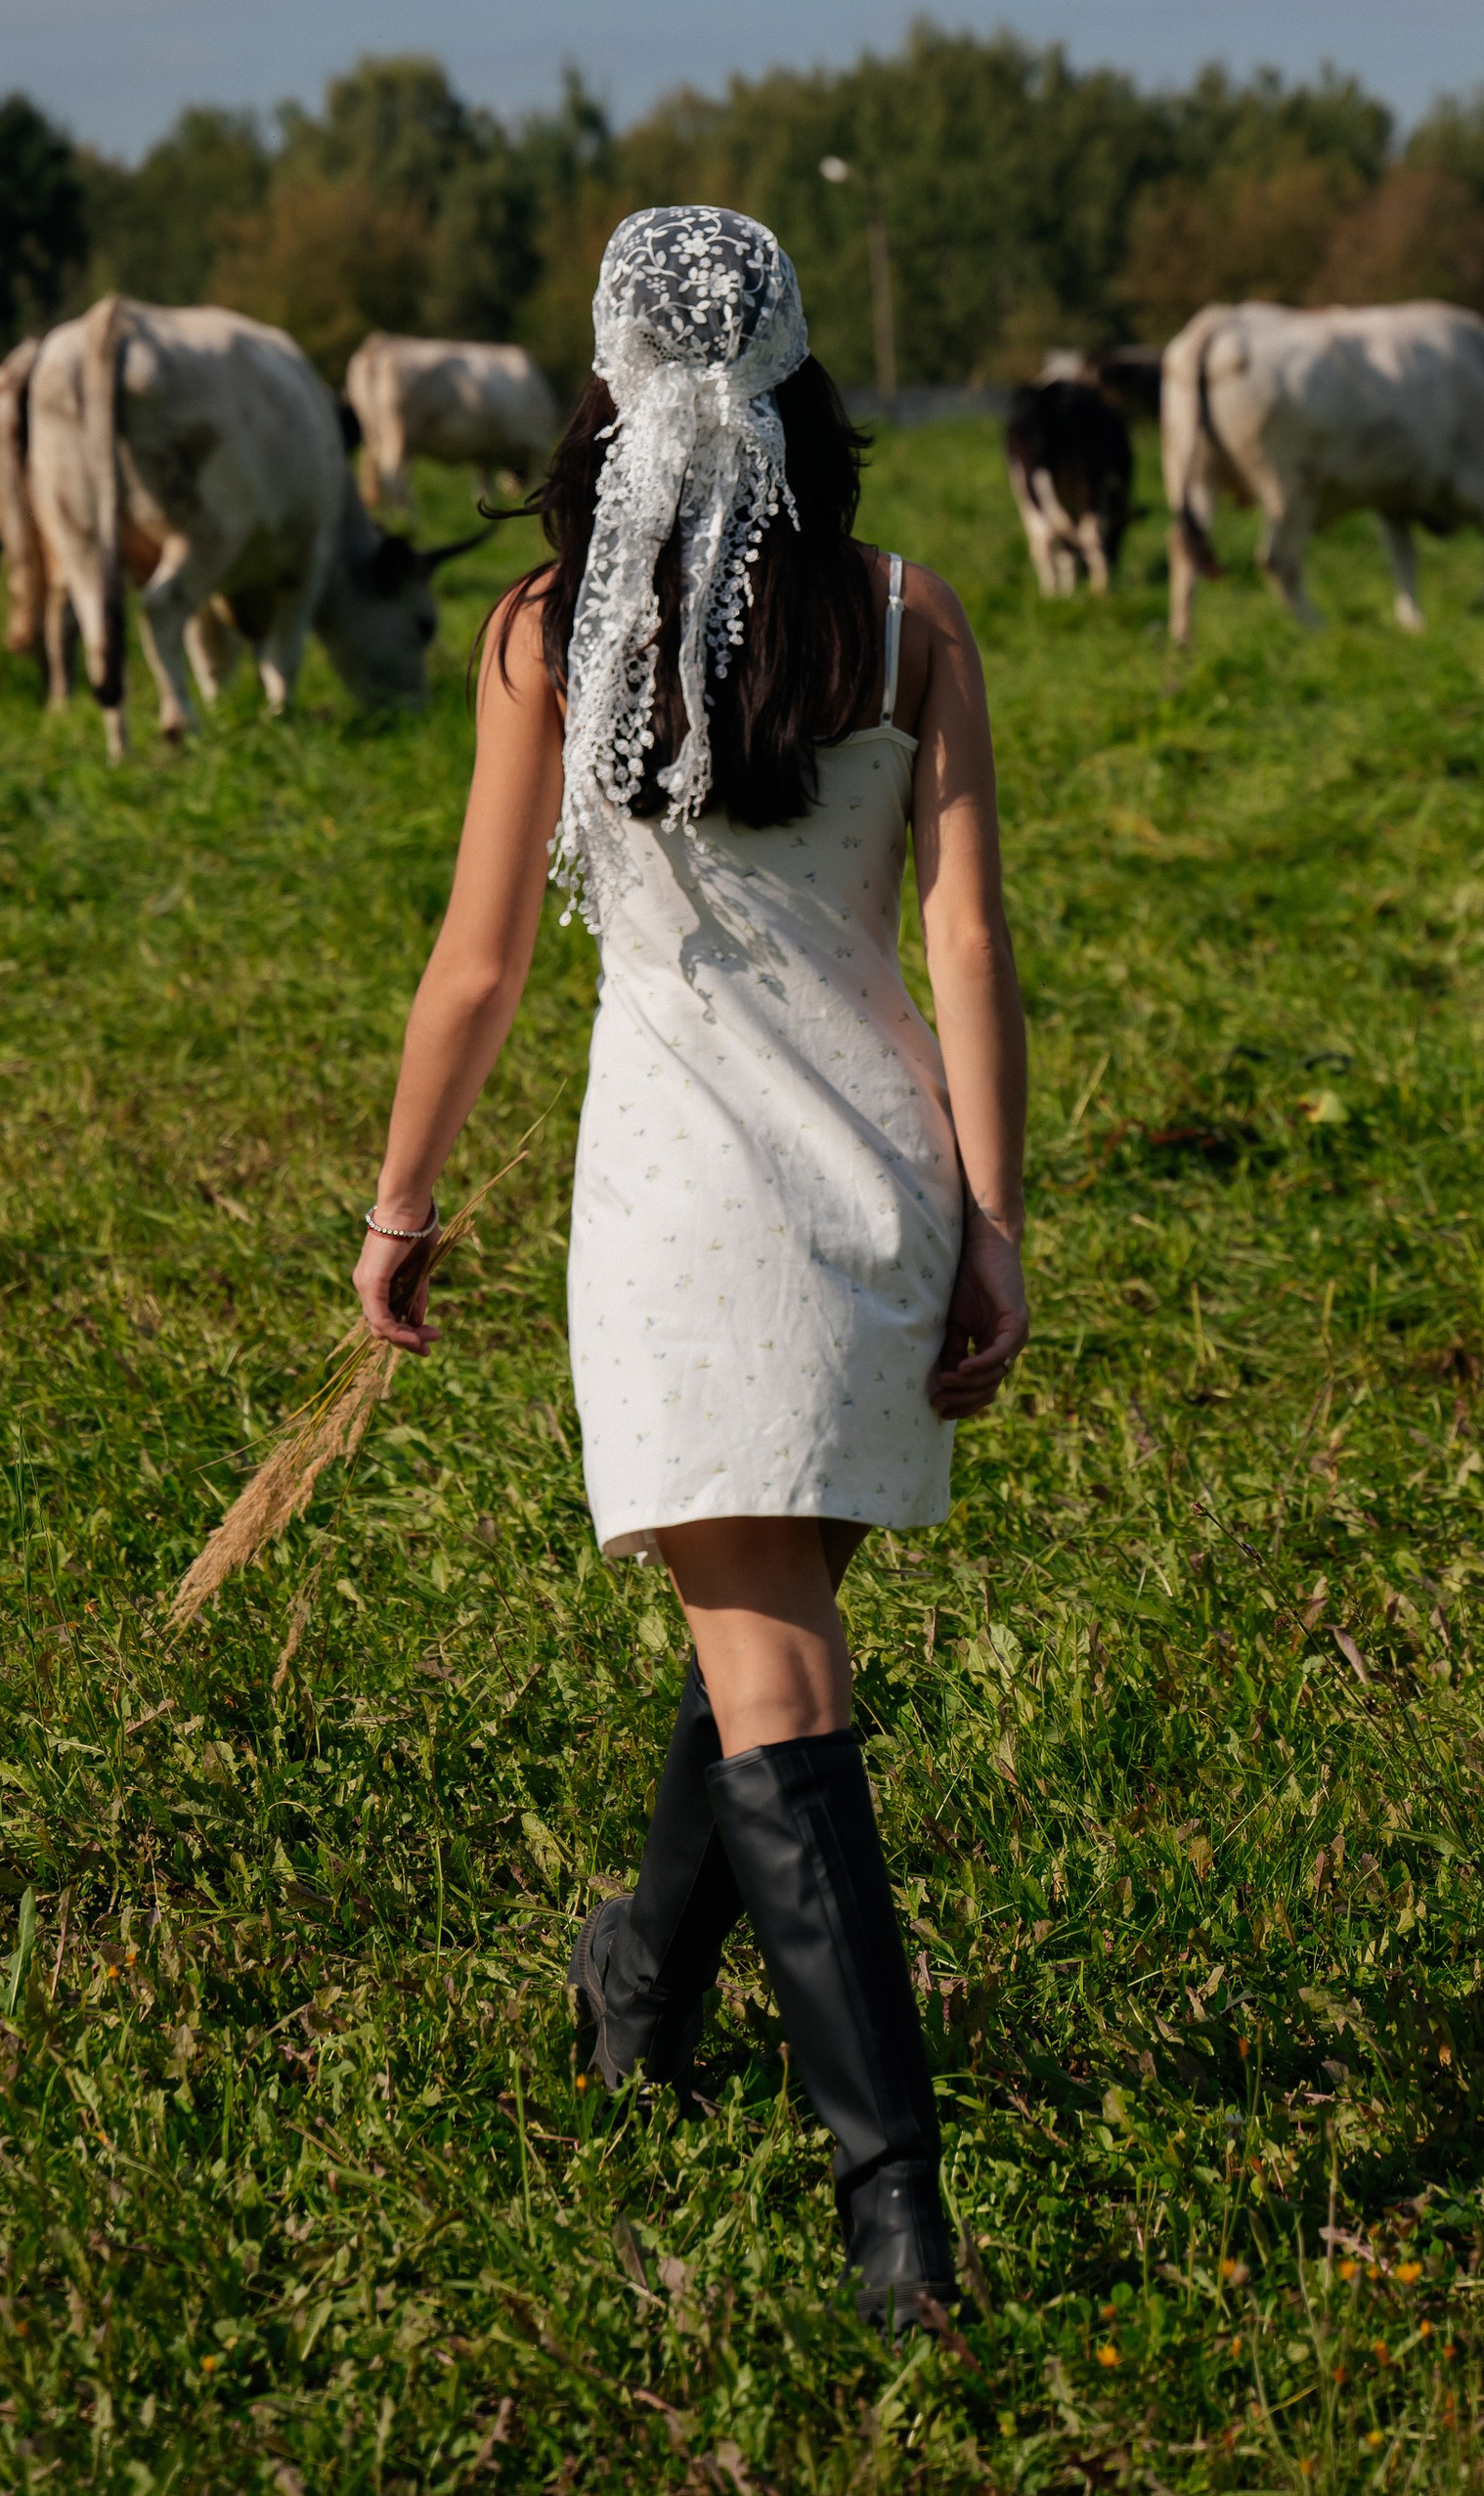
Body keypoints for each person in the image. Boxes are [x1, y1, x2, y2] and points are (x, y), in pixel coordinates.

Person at [355, 203, 1030, 2331]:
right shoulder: (909, 617)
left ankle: (895, 2221)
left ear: (604, 383)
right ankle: (639, 1972)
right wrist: (994, 1216)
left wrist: (399, 1204)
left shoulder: (551, 635)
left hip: (673, 1208)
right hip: (875, 1194)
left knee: (775, 1661)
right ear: (808, 370)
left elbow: (473, 969)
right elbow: (967, 946)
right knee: (760, 1598)